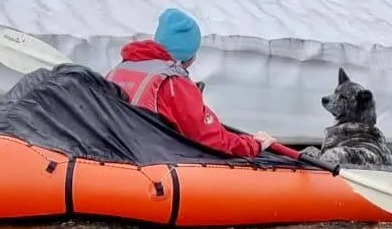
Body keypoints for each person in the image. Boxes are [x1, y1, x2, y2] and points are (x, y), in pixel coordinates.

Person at [107, 8, 275, 158]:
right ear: (189, 54)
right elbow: (210, 139)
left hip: (117, 156)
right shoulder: (172, 82)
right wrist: (253, 145)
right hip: (150, 164)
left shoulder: (118, 70)